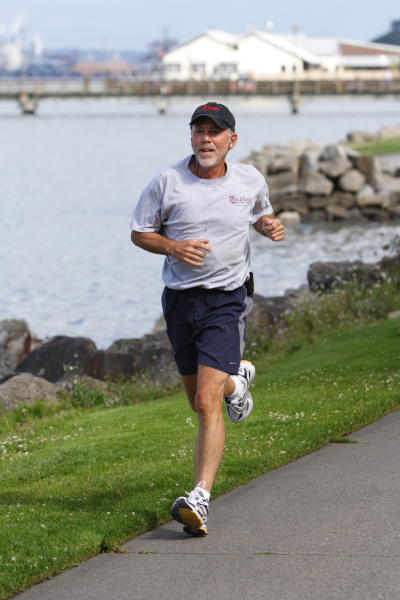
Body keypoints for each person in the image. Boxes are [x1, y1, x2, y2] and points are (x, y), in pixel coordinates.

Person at [131, 102, 285, 536]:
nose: (206, 139)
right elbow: (140, 233)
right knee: (197, 396)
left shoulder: (250, 178)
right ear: (191, 138)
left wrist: (269, 226)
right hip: (180, 301)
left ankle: (200, 496)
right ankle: (238, 383)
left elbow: (259, 215)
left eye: (215, 132)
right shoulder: (167, 183)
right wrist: (173, 247)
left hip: (228, 299)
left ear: (231, 140)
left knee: (204, 402)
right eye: (199, 131)